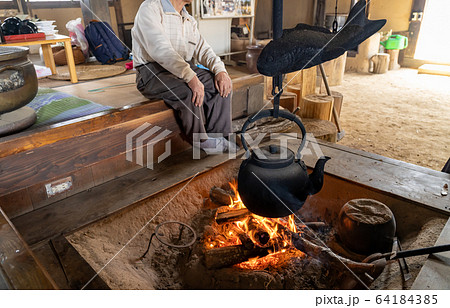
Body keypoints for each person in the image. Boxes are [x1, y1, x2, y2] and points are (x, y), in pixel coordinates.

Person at [132, 0, 237, 153]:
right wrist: (191, 78)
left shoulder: (188, 19)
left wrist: (221, 70)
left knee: (219, 85)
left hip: (181, 68)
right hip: (151, 72)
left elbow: (203, 49)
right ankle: (201, 140)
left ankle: (219, 135)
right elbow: (161, 50)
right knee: (187, 92)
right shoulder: (151, 8)